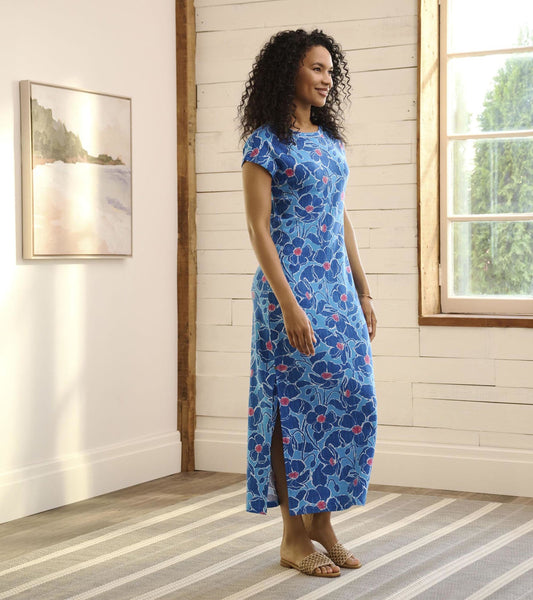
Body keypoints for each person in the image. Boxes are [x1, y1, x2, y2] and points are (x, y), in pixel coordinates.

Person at [237, 28, 378, 578]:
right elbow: (258, 229)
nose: (326, 79)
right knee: (290, 407)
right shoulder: (264, 144)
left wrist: (363, 289)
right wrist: (289, 305)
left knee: (349, 398)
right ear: (288, 72)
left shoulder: (330, 144)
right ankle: (293, 536)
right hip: (287, 292)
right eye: (316, 69)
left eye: (330, 71)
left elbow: (341, 218)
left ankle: (322, 522)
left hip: (336, 293)